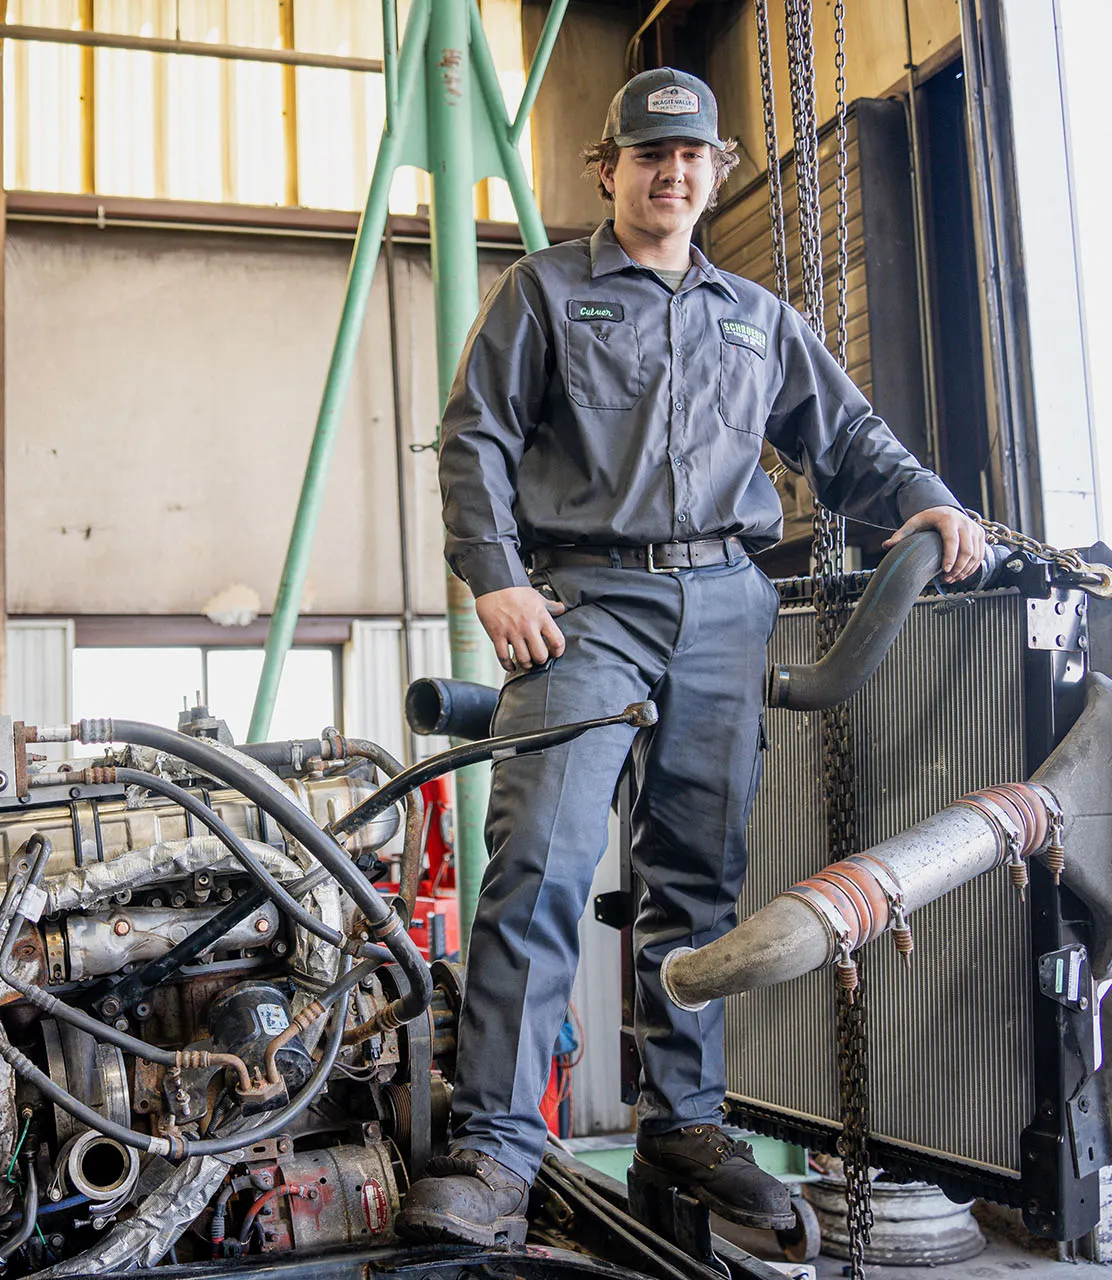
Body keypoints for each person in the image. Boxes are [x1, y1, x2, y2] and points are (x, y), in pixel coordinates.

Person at [396, 67, 986, 1246]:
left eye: (692, 156)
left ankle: (685, 1116)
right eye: (648, 155)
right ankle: (500, 1147)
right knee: (540, 866)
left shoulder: (759, 318)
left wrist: (927, 502)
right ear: (608, 169)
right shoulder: (547, 292)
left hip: (727, 604)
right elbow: (477, 439)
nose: (671, 173)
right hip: (584, 601)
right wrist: (496, 576)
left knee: (699, 880)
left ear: (715, 172)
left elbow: (848, 436)